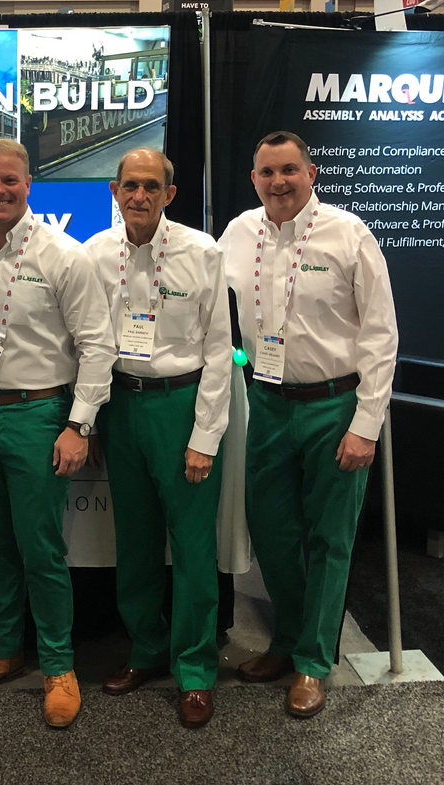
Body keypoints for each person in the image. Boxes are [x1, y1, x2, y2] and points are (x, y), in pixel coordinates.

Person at [0, 139, 114, 728]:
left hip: (39, 416)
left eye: (9, 180)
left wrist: (77, 424)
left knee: (41, 549)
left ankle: (59, 666)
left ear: (29, 183)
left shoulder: (65, 255)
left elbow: (96, 345)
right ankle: (4, 652)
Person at [220, 131, 398, 718]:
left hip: (334, 406)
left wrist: (367, 424)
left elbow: (379, 335)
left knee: (329, 539)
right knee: (271, 534)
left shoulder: (350, 234)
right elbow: (218, 317)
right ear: (254, 179)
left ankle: (314, 662)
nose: (279, 182)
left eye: (289, 170)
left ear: (311, 172)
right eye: (267, 172)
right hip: (265, 404)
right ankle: (288, 640)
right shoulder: (237, 235)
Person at [84, 148, 231, 728]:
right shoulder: (95, 254)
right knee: (136, 541)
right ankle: (146, 650)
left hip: (181, 406)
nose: (138, 196)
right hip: (122, 406)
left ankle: (194, 669)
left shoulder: (202, 251)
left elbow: (220, 350)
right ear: (115, 192)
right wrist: (90, 417)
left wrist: (205, 436)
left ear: (169, 194)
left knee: (193, 549)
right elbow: (90, 342)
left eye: (151, 186)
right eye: (129, 186)